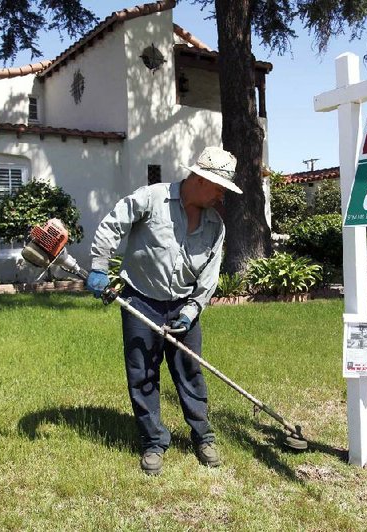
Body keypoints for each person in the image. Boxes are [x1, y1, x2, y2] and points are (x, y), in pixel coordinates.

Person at [86, 146, 242, 476]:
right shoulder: (152, 198)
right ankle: (153, 441)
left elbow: (209, 276)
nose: (221, 197)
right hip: (140, 299)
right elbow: (113, 223)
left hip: (184, 306)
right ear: (200, 179)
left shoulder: (216, 225)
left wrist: (192, 310)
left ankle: (203, 436)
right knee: (142, 373)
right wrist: (99, 266)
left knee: (189, 372)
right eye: (218, 189)